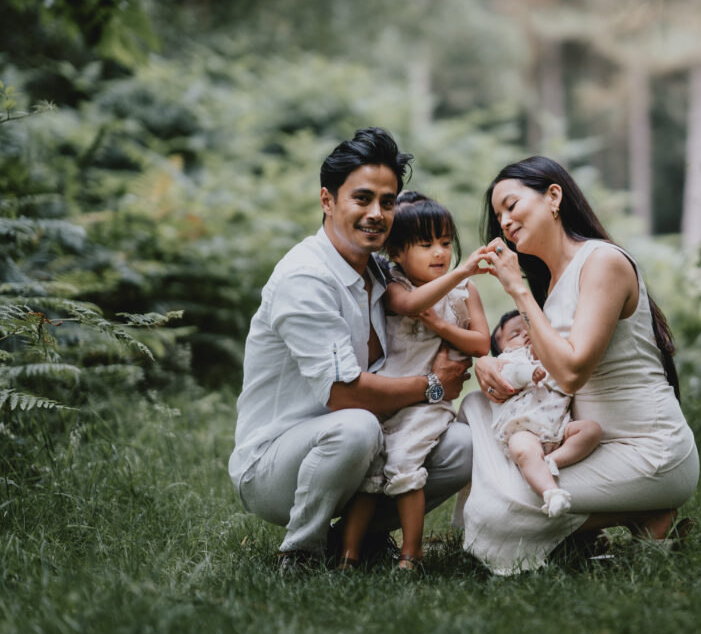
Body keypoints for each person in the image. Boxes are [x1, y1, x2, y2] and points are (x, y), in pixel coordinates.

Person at [228, 128, 472, 571]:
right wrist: (434, 386)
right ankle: (301, 551)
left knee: (464, 446)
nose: (377, 213)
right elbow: (345, 395)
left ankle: (357, 541)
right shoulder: (305, 279)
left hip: (365, 442)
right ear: (327, 200)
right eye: (362, 199)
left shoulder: (380, 271)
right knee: (356, 426)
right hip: (277, 462)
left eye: (388, 201)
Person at [460, 155, 700, 574]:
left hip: (647, 451)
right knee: (475, 409)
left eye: (511, 205)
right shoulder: (551, 287)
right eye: (498, 215)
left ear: (554, 197)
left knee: (495, 513)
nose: (504, 222)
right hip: (581, 445)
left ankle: (643, 510)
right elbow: (543, 377)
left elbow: (572, 371)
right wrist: (487, 364)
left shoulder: (602, 262)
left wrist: (517, 290)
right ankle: (607, 520)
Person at [338, 191, 491, 570]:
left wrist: (442, 325)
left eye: (444, 242)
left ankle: (411, 553)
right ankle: (348, 553)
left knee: (405, 461)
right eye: (426, 245)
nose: (439, 253)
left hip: (429, 404)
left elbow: (482, 342)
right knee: (370, 472)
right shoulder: (394, 285)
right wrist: (463, 269)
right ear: (398, 254)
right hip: (388, 395)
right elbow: (410, 306)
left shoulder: (463, 291)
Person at [488, 310, 602, 518]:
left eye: (528, 328)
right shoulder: (508, 359)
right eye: (514, 334)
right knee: (522, 449)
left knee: (591, 430)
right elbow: (509, 375)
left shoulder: (552, 355)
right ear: (500, 350)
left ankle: (551, 462)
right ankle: (551, 493)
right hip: (525, 429)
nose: (524, 334)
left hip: (559, 428)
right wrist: (528, 373)